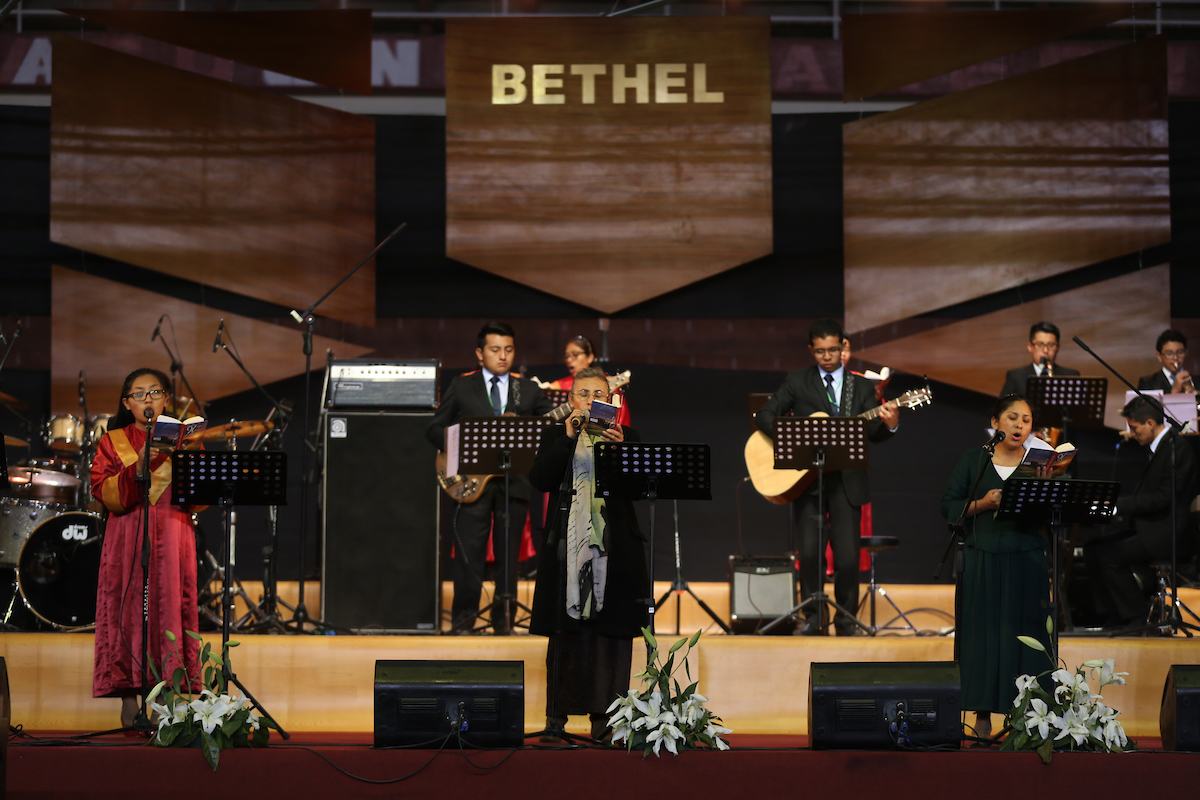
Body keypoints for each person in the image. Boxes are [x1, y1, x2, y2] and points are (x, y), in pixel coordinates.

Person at [755, 318, 899, 636]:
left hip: (847, 480)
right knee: (808, 554)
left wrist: (890, 425)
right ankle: (812, 619)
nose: (827, 356)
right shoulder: (797, 381)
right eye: (820, 351)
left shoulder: (861, 386)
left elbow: (873, 432)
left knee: (847, 556)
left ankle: (846, 621)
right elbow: (765, 414)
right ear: (811, 350)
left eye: (833, 349)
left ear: (843, 347)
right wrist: (789, 437)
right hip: (808, 481)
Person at [528, 367, 648, 743]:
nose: (591, 400)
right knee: (566, 633)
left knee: (610, 636)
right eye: (583, 394)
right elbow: (540, 480)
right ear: (571, 400)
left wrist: (619, 450)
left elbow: (641, 489)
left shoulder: (628, 436)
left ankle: (606, 721)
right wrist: (566, 439)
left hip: (615, 550)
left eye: (599, 393)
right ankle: (556, 719)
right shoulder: (555, 433)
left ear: (612, 400)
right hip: (566, 549)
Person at [426, 321, 555, 634]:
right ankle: (464, 619)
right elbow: (433, 428)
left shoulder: (529, 388)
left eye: (508, 350)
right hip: (471, 483)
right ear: (479, 353)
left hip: (515, 483)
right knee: (470, 552)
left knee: (509, 554)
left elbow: (550, 427)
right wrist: (460, 447)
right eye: (495, 349)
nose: (502, 356)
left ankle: (503, 620)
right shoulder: (461, 386)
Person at [941, 394, 1054, 742]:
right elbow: (949, 507)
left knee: (1029, 636)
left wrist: (1048, 485)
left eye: (1027, 420)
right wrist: (983, 503)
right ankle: (982, 715)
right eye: (1012, 418)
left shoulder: (1039, 463)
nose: (1020, 425)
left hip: (1027, 557)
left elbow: (1054, 513)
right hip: (983, 557)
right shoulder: (974, 461)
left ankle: (1029, 718)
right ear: (995, 423)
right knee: (983, 636)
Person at [91, 368, 199, 729]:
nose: (148, 398)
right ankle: (128, 696)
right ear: (127, 403)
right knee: (128, 611)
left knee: (169, 610)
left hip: (172, 532)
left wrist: (191, 460)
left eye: (155, 392)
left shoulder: (182, 440)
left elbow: (198, 499)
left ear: (167, 399)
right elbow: (105, 494)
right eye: (139, 394)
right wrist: (139, 462)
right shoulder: (114, 441)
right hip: (127, 535)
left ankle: (166, 698)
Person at [1084, 396, 1199, 631]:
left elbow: (1163, 498)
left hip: (1168, 532)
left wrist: (1116, 507)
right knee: (1093, 548)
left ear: (1149, 423)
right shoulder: (1158, 449)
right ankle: (1114, 615)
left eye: (1134, 428)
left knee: (1110, 555)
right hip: (1151, 526)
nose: (1133, 433)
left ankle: (1136, 617)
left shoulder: (1177, 449)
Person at [545, 335, 631, 427]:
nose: (569, 360)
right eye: (566, 356)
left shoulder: (605, 383)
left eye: (575, 355)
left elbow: (620, 421)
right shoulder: (558, 384)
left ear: (590, 357)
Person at [998, 321, 1080, 399]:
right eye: (1040, 344)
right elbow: (1002, 409)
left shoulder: (1071, 376)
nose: (1045, 350)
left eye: (1051, 345)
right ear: (1030, 346)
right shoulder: (1015, 377)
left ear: (1058, 347)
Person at [1137, 329, 1194, 395]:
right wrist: (1174, 392)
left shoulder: (1197, 381)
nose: (1175, 358)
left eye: (1180, 352)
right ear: (1159, 356)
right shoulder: (1147, 383)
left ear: (1186, 353)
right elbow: (1144, 405)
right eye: (1169, 354)